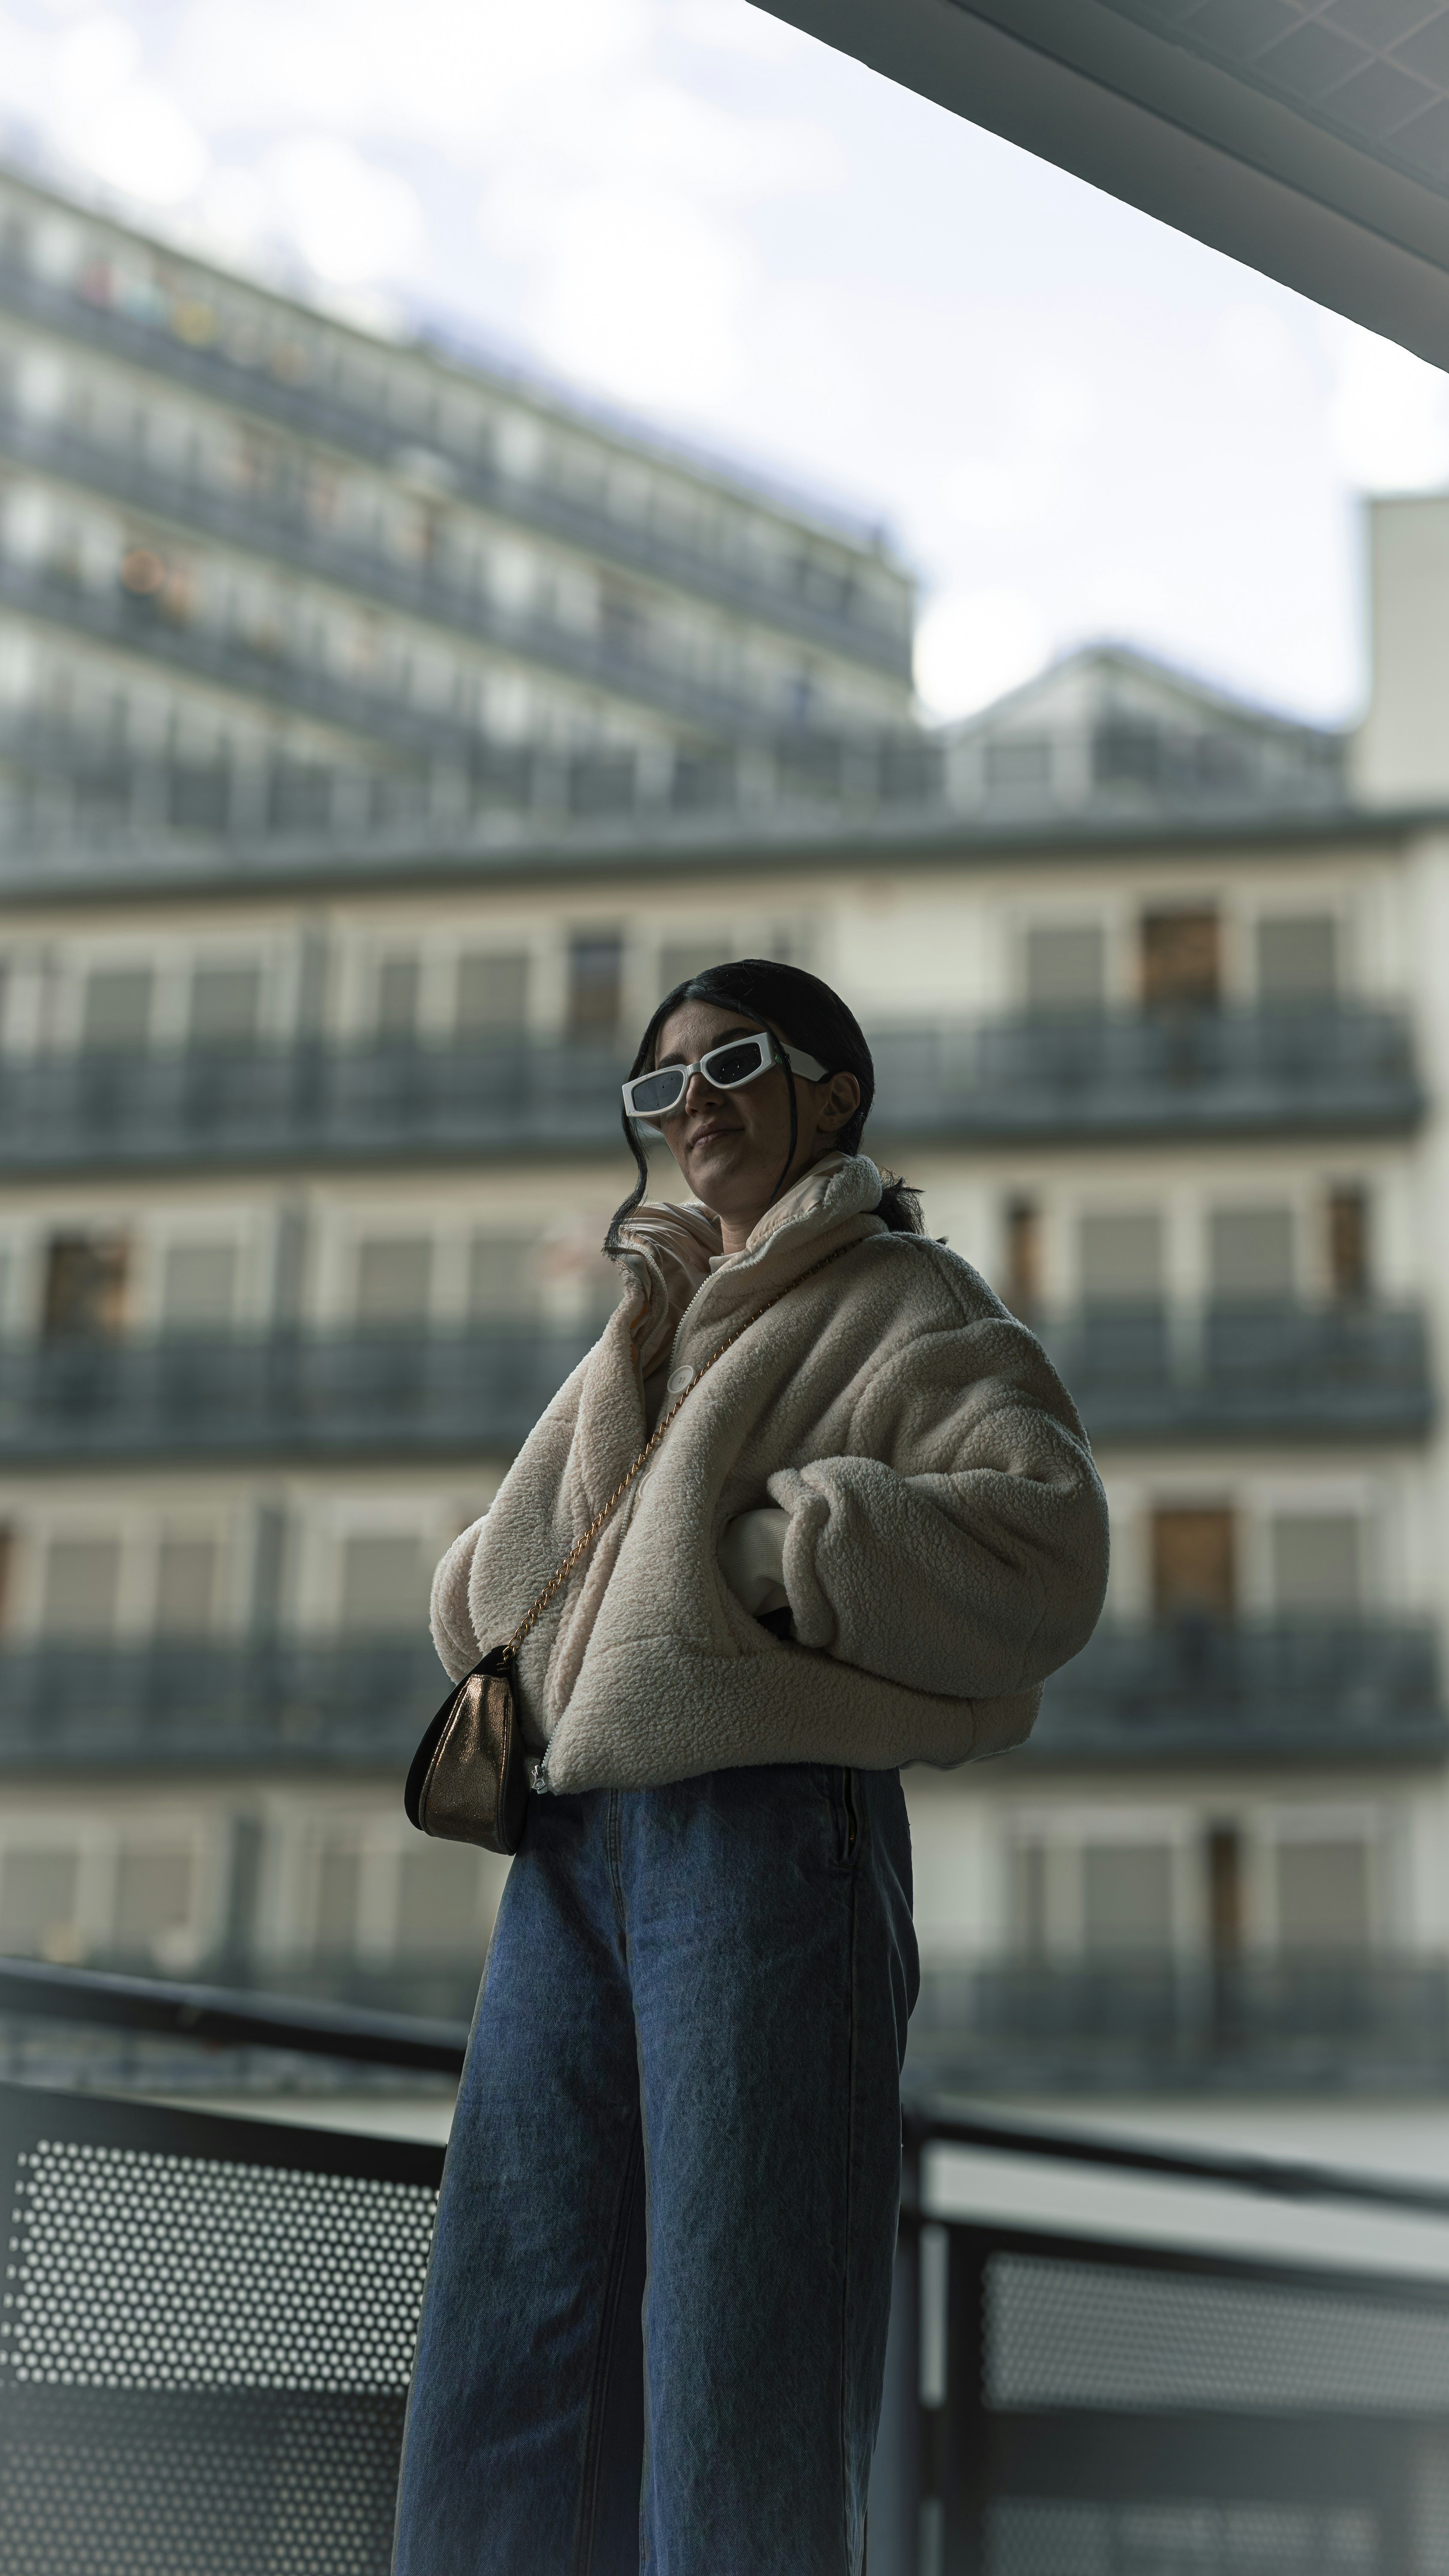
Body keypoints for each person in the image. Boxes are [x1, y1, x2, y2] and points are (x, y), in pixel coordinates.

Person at [392, 958, 1108, 2576]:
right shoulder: (650, 1327)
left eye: (732, 1065)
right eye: (662, 1084)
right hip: (567, 1853)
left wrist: (784, 1556)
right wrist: (630, 1353)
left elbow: (1050, 1546)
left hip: (767, 1835)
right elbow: (503, 1593)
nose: (691, 1104)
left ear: (833, 1093)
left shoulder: (910, 1302)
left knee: (741, 2365)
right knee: (506, 2359)